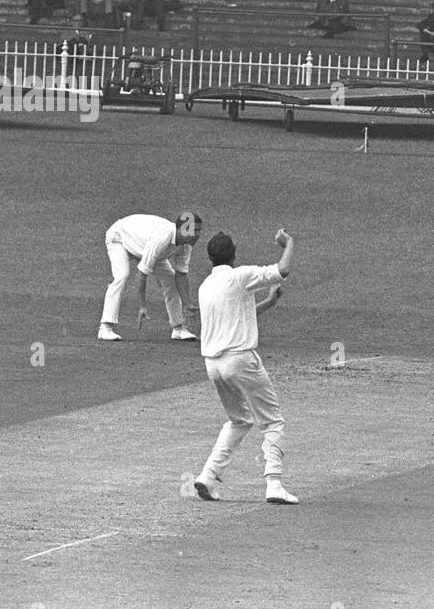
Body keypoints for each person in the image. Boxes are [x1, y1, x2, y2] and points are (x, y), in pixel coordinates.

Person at [192, 229, 299, 506]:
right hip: (240, 359)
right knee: (272, 420)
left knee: (239, 420)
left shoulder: (206, 286)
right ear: (234, 253)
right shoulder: (239, 276)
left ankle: (208, 475)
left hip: (213, 364)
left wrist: (268, 303)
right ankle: (274, 483)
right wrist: (289, 243)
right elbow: (283, 269)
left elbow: (235, 317)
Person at [99, 212, 202, 342]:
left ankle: (178, 328)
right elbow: (141, 275)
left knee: (171, 280)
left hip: (145, 246)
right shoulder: (161, 239)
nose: (198, 235)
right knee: (122, 275)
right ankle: (105, 328)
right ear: (183, 229)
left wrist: (187, 303)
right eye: (195, 230)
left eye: (199, 230)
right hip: (119, 238)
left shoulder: (186, 244)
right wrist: (142, 306)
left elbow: (181, 274)